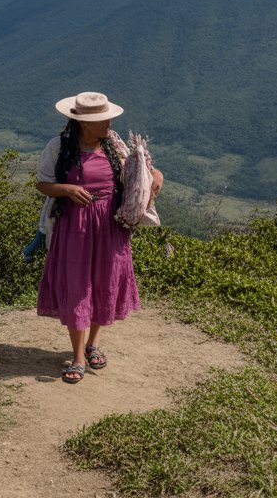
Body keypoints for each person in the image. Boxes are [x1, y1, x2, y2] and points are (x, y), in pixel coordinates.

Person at [35, 91, 163, 384]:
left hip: (109, 225)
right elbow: (43, 184)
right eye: (101, 120)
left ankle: (93, 343)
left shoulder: (114, 145)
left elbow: (141, 170)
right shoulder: (59, 147)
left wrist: (157, 177)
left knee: (103, 282)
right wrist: (67, 189)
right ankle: (78, 356)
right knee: (78, 285)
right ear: (83, 123)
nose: (108, 123)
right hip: (75, 225)